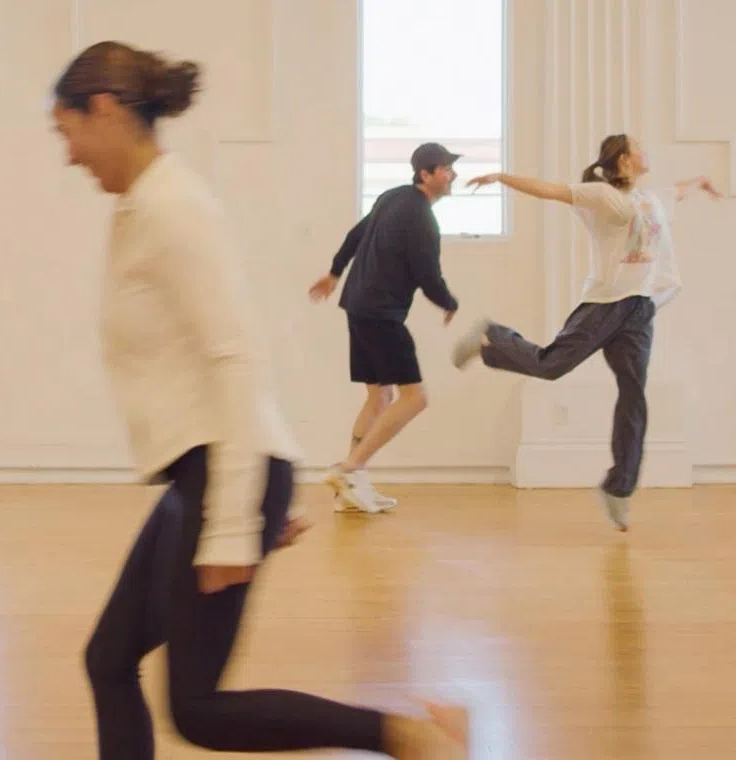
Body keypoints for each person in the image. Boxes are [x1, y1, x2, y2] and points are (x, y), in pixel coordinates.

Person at [50, 41, 469, 760]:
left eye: (70, 132)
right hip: (204, 476)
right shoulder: (139, 207)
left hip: (219, 476)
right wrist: (253, 498)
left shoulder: (173, 207)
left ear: (108, 111)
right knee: (109, 658)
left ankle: (410, 738)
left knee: (201, 710)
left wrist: (235, 521)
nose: (69, 155)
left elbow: (234, 357)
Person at [451, 133, 720, 531]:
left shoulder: (652, 197)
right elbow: (552, 191)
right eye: (639, 147)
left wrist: (700, 181)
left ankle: (618, 488)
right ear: (625, 160)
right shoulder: (604, 196)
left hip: (640, 308)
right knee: (551, 365)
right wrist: (502, 177)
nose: (647, 152)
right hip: (606, 303)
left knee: (633, 394)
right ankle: (493, 337)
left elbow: (678, 191)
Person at [308, 143, 462, 513]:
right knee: (416, 398)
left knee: (379, 397)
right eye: (445, 169)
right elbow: (429, 276)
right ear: (426, 174)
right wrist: (449, 302)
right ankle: (349, 468)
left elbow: (356, 235)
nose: (452, 174)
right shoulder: (423, 218)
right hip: (380, 313)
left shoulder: (393, 197)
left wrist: (334, 272)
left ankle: (349, 490)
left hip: (358, 306)